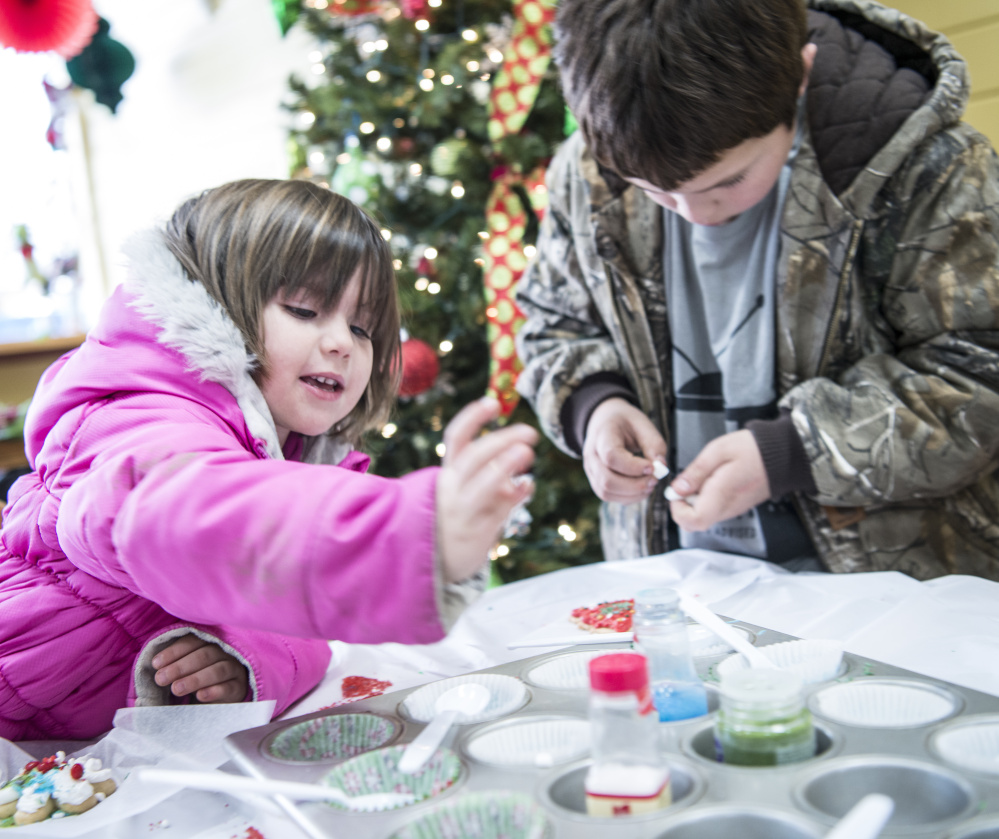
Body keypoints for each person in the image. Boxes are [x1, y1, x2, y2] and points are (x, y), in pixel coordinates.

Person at [0, 179, 537, 740]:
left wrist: (241, 660)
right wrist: (405, 534)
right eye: (305, 309)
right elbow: (190, 515)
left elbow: (288, 612)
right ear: (218, 303)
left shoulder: (296, 453)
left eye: (362, 327)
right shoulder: (138, 416)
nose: (342, 343)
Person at [515, 0, 999, 580]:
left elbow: (976, 381)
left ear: (799, 76)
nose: (695, 214)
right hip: (678, 592)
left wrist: (791, 451)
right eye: (655, 191)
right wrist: (594, 406)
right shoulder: (586, 173)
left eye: (730, 180)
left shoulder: (933, 169)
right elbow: (551, 324)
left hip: (894, 600)